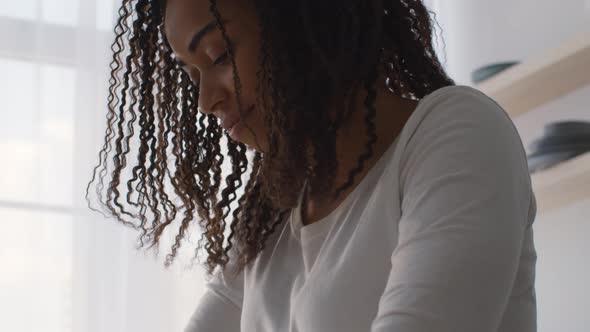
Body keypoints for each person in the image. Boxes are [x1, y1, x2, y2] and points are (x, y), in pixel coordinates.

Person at [87, 0, 538, 331]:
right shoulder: (271, 216)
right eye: (191, 75)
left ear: (302, 21)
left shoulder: (457, 133)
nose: (206, 101)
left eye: (219, 56)